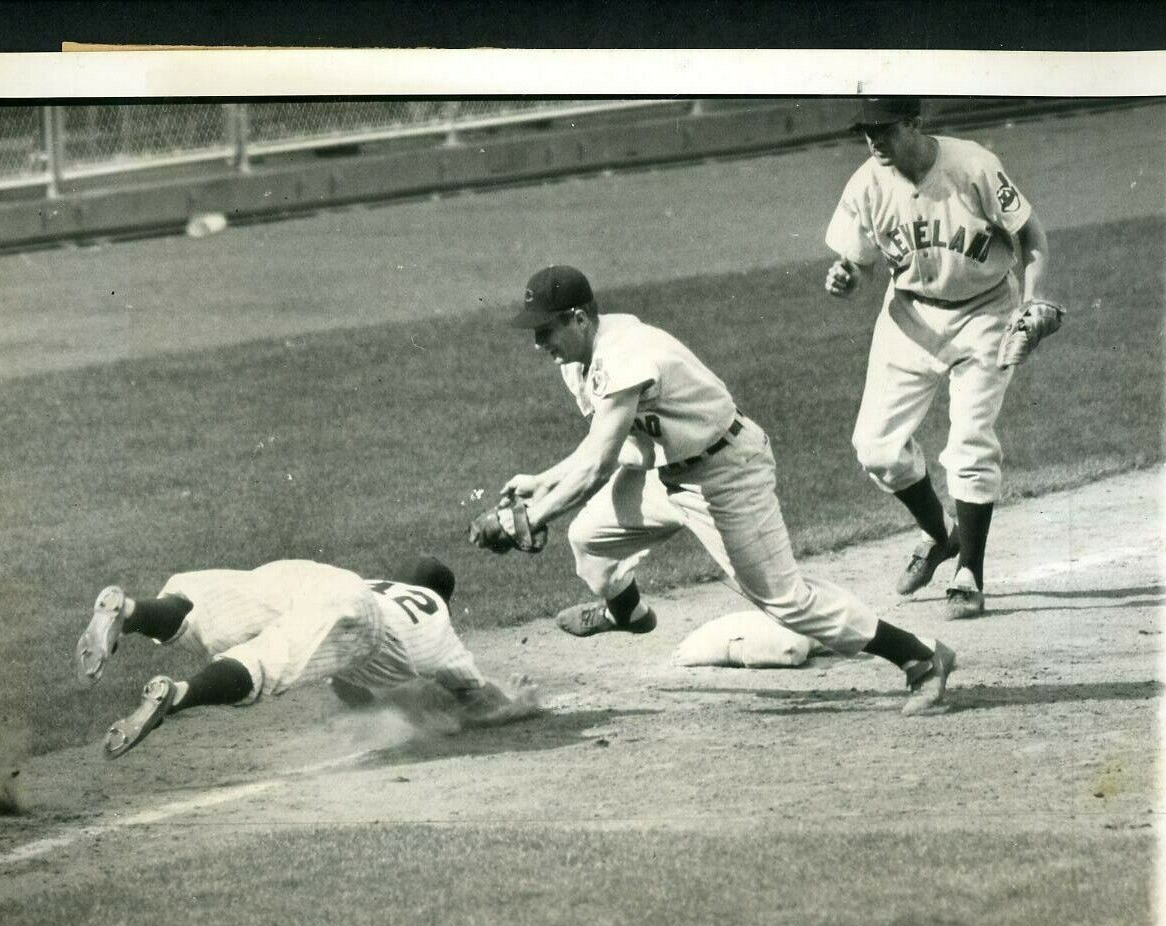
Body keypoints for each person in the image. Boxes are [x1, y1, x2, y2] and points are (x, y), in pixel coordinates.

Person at [481, 263, 955, 716]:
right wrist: (542, 483)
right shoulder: (578, 362)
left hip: (727, 473)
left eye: (545, 330)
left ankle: (920, 658)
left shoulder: (624, 354)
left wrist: (533, 517)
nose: (539, 342)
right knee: (590, 537)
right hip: (667, 474)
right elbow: (622, 450)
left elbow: (597, 465)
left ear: (579, 319)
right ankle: (625, 611)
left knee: (787, 602)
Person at [823, 95, 1055, 619]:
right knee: (876, 448)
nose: (873, 141)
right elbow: (855, 261)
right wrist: (847, 277)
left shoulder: (972, 165)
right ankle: (939, 536)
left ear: (914, 122)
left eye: (883, 129)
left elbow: (1032, 238)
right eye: (867, 131)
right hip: (908, 319)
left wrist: (1035, 298)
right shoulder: (866, 183)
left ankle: (969, 570)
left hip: (985, 314)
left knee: (970, 442)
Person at [73, 554, 539, 759]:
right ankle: (176, 696)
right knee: (268, 660)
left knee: (204, 613)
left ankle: (131, 613)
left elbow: (345, 686)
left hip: (310, 576)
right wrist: (517, 702)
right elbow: (479, 700)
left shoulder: (381, 585)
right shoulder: (435, 618)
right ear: (441, 597)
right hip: (356, 617)